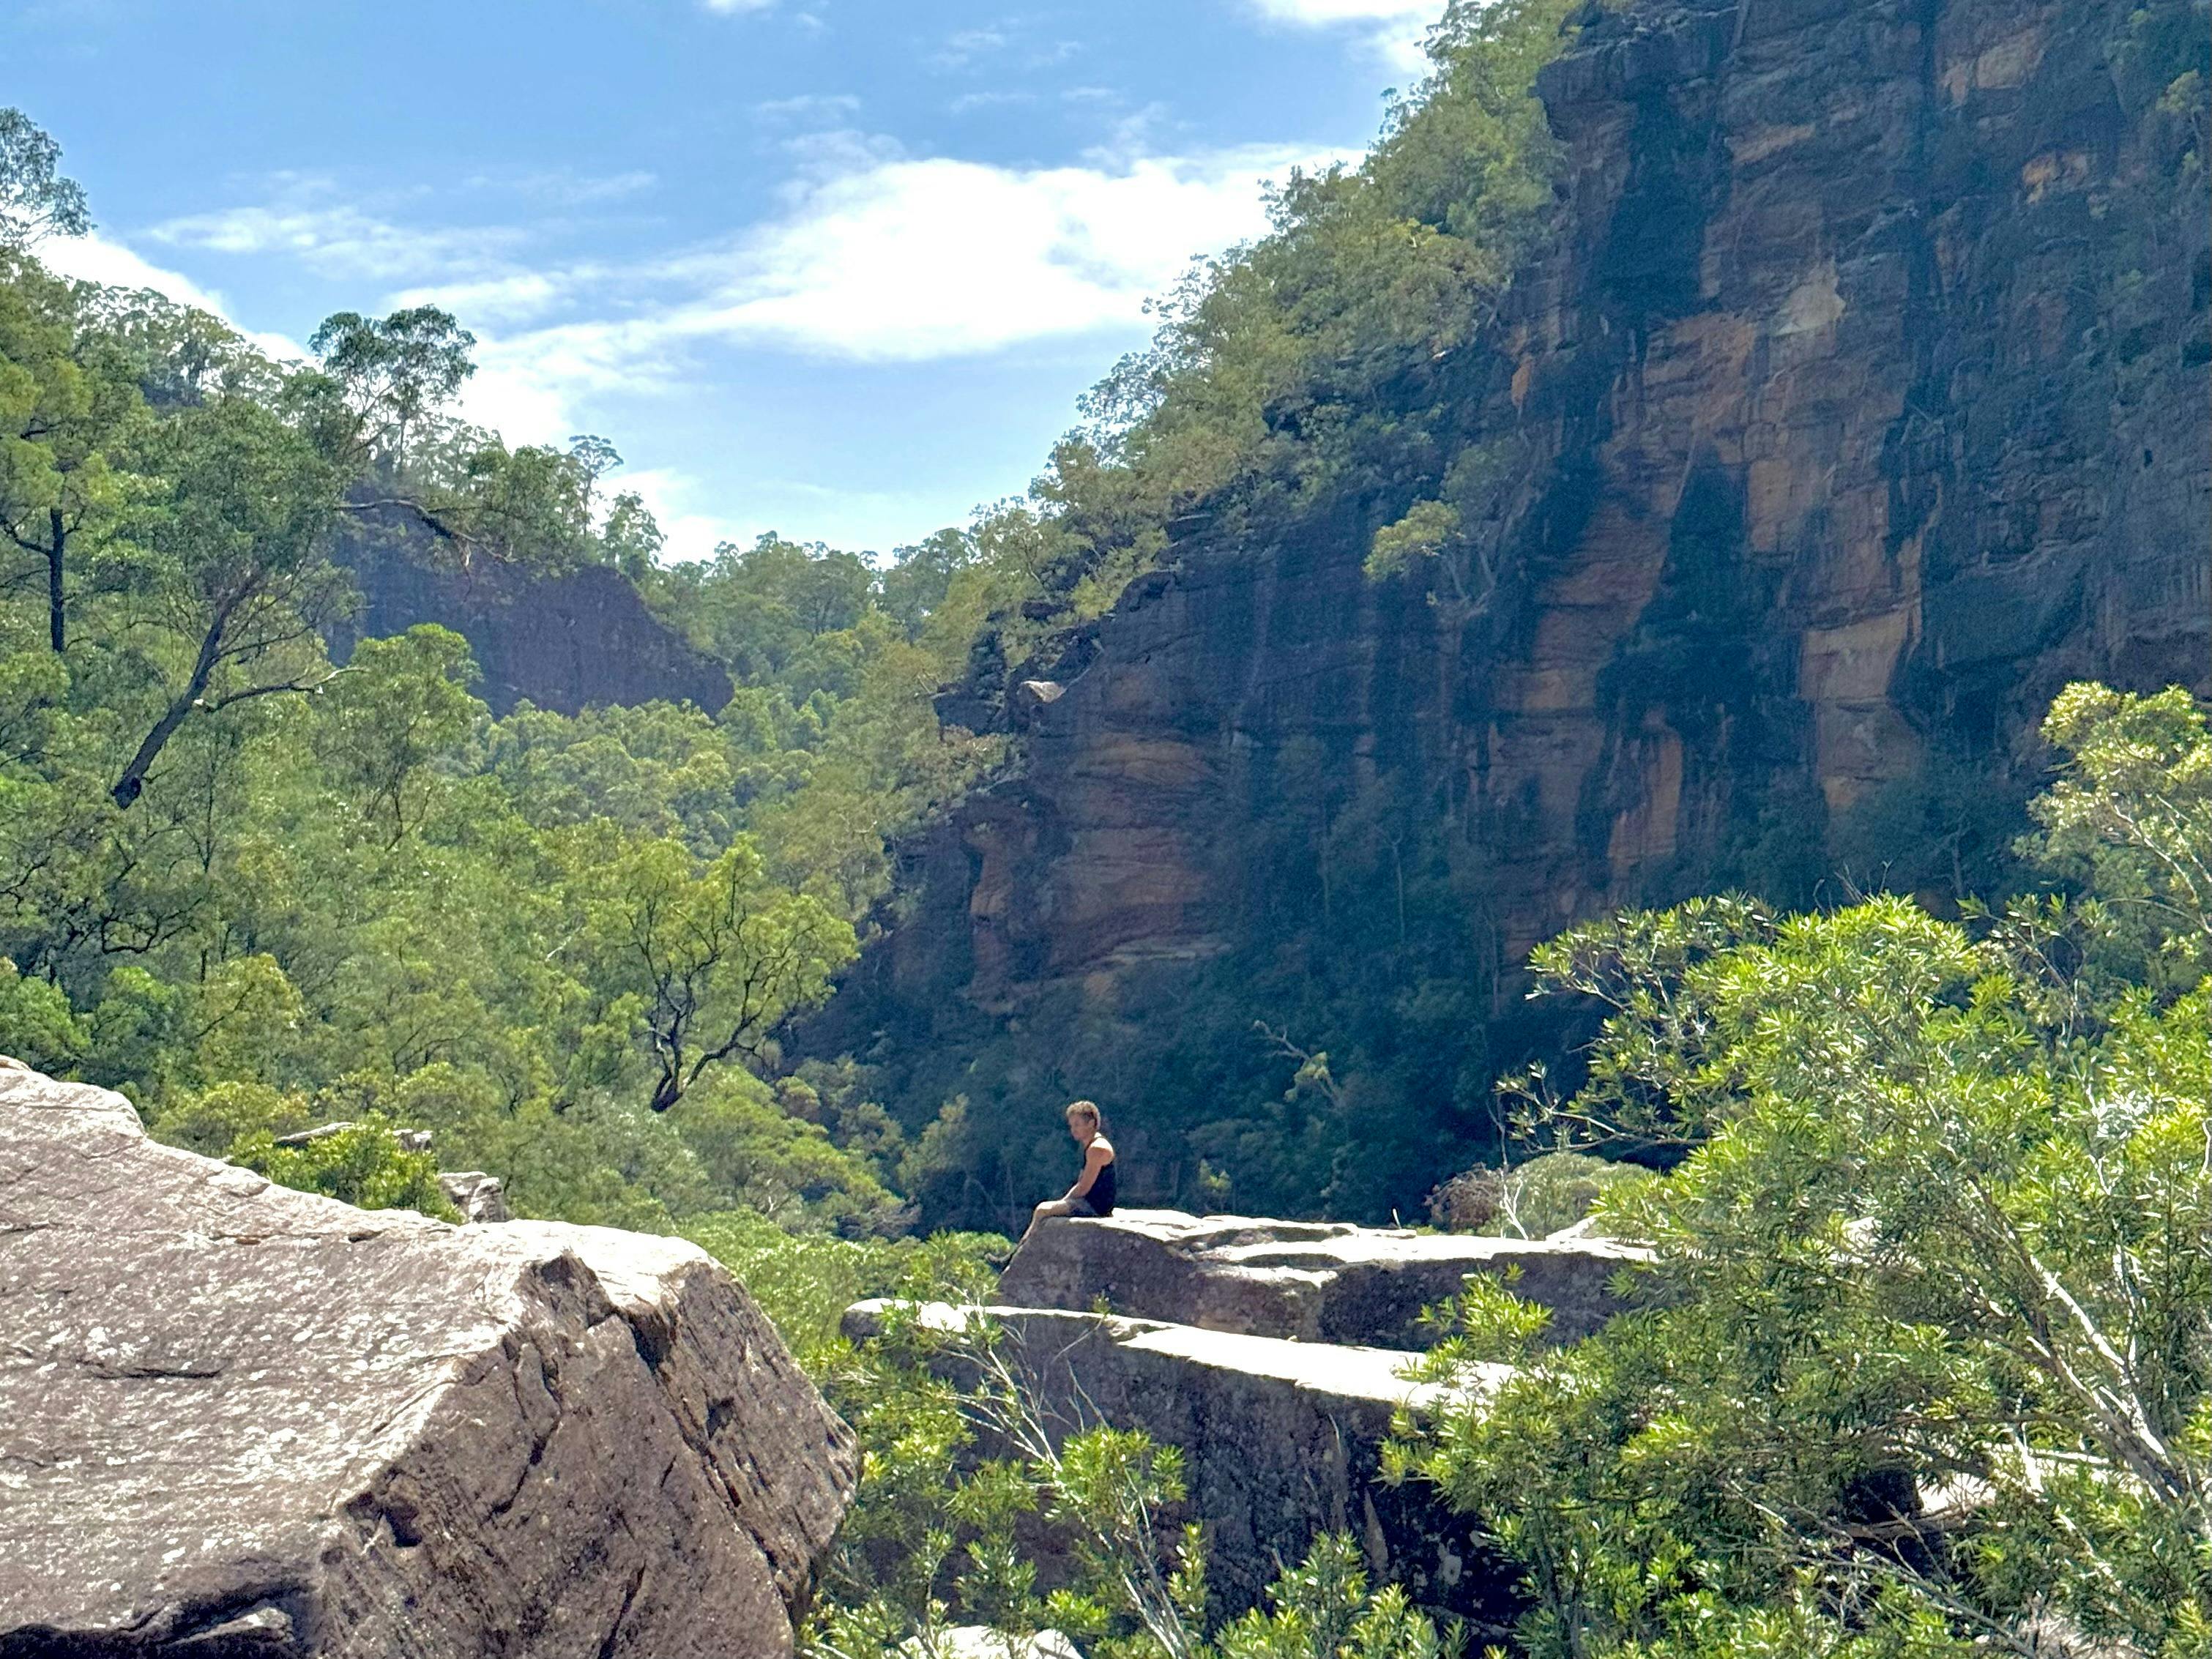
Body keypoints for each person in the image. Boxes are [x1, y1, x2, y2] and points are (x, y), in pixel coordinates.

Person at [1028, 1100, 1116, 1232]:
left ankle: (1023, 1248)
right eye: (1071, 1126)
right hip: (1090, 1202)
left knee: (1042, 1210)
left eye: (1077, 1125)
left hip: (1095, 1206)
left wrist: (1064, 1202)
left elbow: (1084, 1188)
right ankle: (1021, 1248)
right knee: (1047, 1209)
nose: (1073, 1130)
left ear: (1091, 1124)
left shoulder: (1097, 1149)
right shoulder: (1090, 1145)